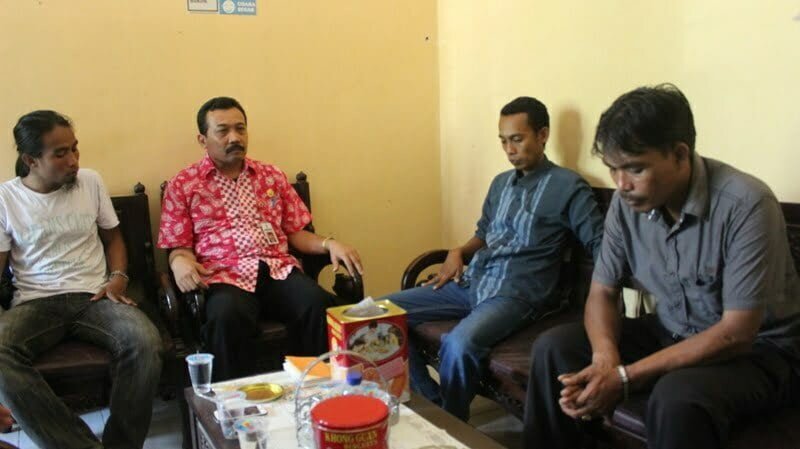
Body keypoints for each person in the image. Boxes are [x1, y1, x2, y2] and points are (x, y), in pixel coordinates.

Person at [524, 84, 800, 449]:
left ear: (680, 155)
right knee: (554, 348)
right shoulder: (626, 204)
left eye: (635, 169)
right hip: (673, 330)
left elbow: (736, 333)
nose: (621, 184)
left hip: (759, 353)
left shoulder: (746, 204)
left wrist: (626, 377)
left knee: (678, 398)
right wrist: (606, 358)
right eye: (612, 169)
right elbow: (602, 292)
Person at [381, 97, 604, 420]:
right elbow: (484, 234)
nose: (509, 149)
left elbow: (599, 244)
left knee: (459, 344)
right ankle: (433, 407)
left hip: (517, 293)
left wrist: (603, 297)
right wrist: (458, 252)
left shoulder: (568, 186)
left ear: (542, 135)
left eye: (517, 139)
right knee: (381, 314)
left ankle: (451, 424)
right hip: (473, 281)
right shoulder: (500, 184)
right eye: (503, 141)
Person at [159, 97, 364, 381]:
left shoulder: (271, 175)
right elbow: (179, 246)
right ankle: (233, 400)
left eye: (240, 129)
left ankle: (316, 388)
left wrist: (329, 244)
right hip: (223, 276)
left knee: (316, 303)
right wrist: (179, 261)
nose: (235, 137)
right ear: (202, 139)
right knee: (225, 317)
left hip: (277, 270)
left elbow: (295, 232)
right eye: (223, 131)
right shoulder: (183, 184)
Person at [0, 111, 162, 449]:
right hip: (35, 303)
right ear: (30, 160)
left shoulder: (90, 181)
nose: (73, 160)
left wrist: (118, 277)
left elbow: (113, 239)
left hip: (94, 297)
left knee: (144, 341)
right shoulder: (6, 199)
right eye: (60, 153)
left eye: (75, 148)